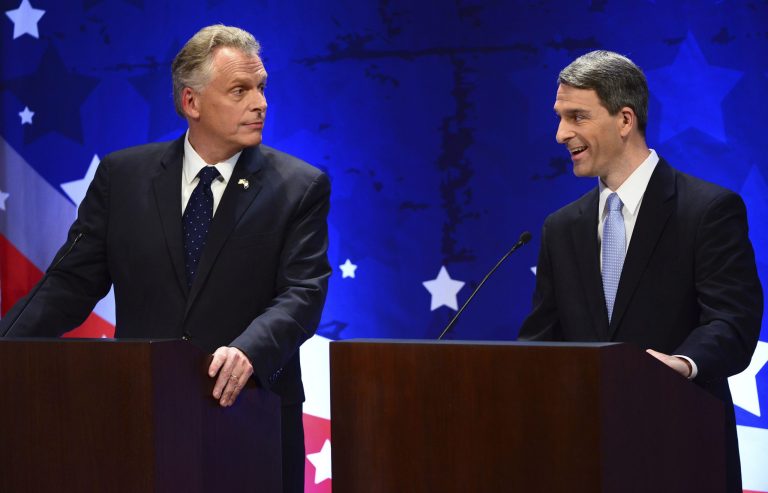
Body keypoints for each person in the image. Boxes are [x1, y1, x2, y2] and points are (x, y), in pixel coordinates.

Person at [0, 24, 330, 493]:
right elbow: (69, 285)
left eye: (261, 87)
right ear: (190, 103)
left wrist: (248, 350)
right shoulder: (122, 177)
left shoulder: (300, 187)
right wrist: (6, 351)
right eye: (240, 90)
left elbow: (304, 293)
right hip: (140, 416)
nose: (260, 103)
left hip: (252, 416)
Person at [518, 50, 762, 492]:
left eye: (576, 117)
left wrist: (683, 364)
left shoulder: (707, 210)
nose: (560, 134)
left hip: (683, 450)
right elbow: (541, 342)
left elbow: (733, 321)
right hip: (582, 460)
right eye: (559, 117)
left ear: (625, 119)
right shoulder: (562, 227)